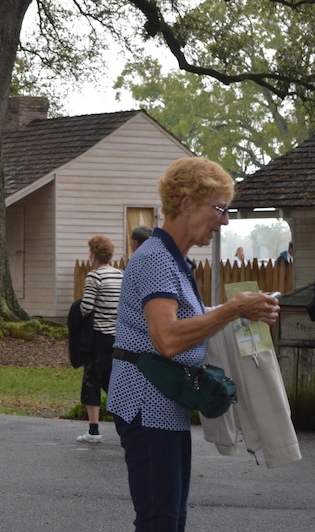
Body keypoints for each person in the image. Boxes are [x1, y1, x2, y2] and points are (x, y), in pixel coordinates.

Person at [107, 157, 280, 531]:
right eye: (219, 208)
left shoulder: (173, 259)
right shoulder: (156, 259)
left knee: (170, 518)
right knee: (160, 521)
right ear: (185, 203)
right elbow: (167, 338)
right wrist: (233, 309)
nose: (226, 221)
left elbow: (184, 319)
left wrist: (242, 310)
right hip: (146, 403)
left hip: (162, 403)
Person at [77, 236, 123, 443]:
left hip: (98, 337)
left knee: (92, 381)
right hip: (118, 338)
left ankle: (94, 431)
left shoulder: (94, 277)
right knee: (114, 382)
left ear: (94, 255)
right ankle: (125, 429)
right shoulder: (121, 275)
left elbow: (86, 307)